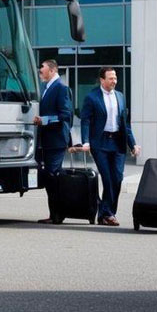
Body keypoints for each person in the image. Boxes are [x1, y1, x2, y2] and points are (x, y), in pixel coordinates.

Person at [80, 67, 141, 226]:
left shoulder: (120, 96)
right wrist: (85, 141)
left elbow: (125, 124)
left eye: (115, 78)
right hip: (100, 143)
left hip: (118, 142)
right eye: (110, 78)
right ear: (102, 80)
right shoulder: (92, 97)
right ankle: (108, 214)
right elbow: (85, 120)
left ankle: (106, 213)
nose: (114, 81)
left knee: (117, 178)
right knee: (107, 179)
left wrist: (133, 144)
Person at [33, 60, 72, 224]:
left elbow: (66, 115)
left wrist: (45, 120)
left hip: (56, 140)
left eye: (42, 67)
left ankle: (57, 214)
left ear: (52, 69)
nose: (40, 71)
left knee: (52, 176)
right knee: (50, 176)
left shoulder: (61, 88)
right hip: (46, 140)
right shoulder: (45, 88)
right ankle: (55, 213)